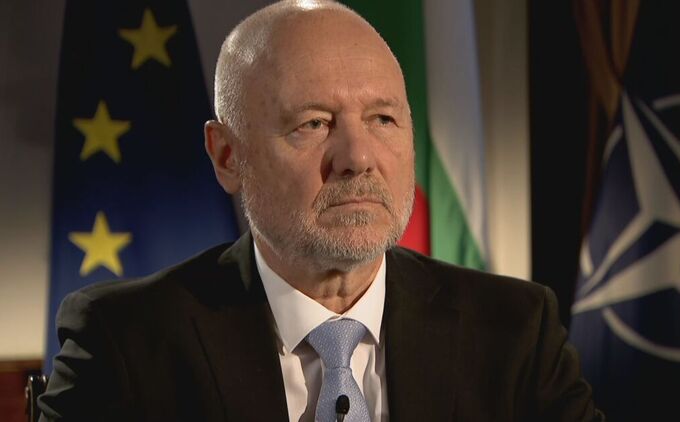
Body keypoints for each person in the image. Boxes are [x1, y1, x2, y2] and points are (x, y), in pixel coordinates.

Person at [38, 1, 604, 421]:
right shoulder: (125, 344)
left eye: (382, 119)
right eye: (313, 123)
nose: (358, 158)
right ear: (228, 156)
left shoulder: (515, 333)